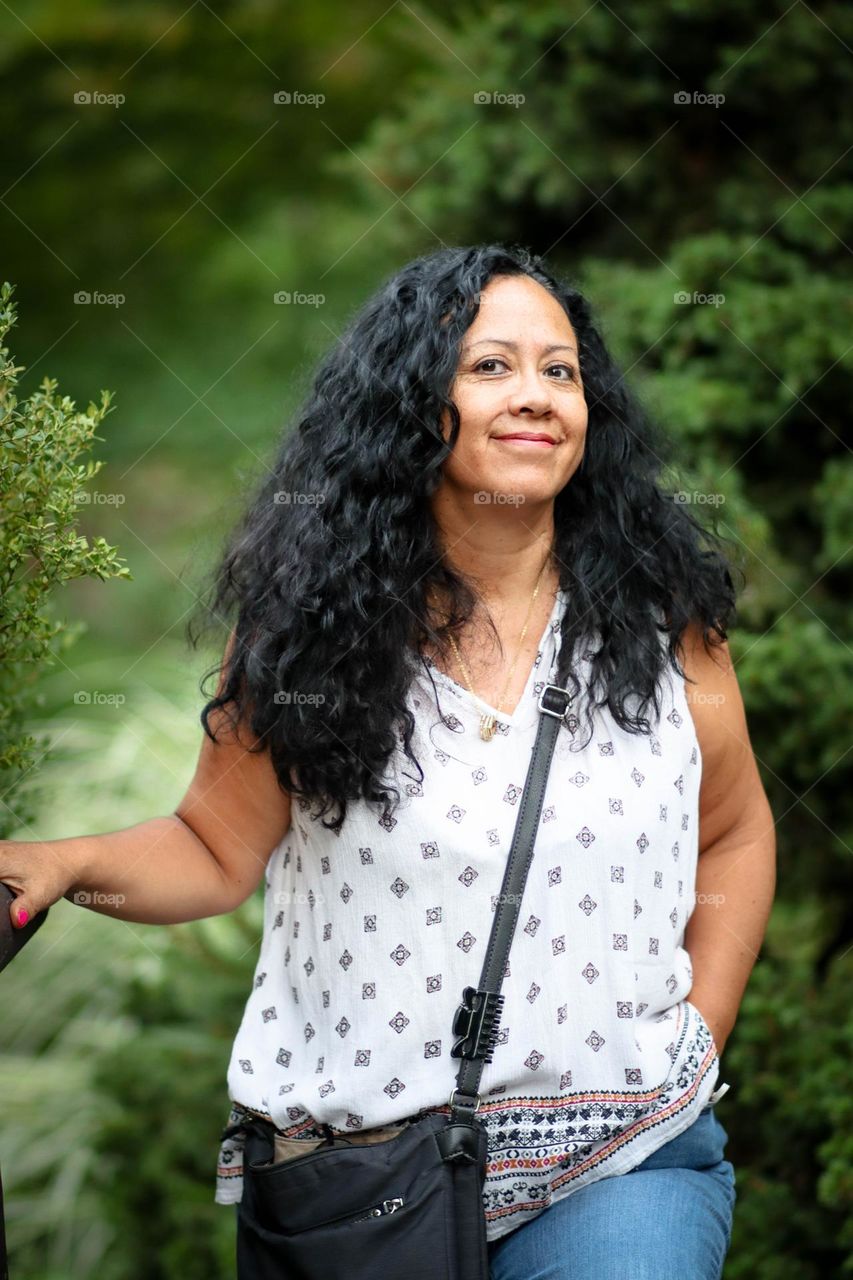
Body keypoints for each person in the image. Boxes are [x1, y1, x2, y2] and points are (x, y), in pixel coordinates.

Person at [1, 244, 776, 1279]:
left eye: (561, 371)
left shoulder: (661, 626)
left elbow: (732, 830)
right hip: (368, 1180)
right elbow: (210, 847)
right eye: (491, 366)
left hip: (622, 1156)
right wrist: (59, 862)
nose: (536, 396)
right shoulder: (312, 635)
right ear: (416, 403)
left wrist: (697, 1031)